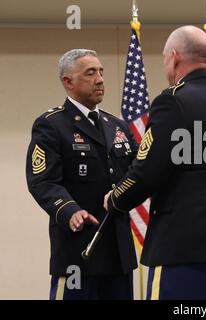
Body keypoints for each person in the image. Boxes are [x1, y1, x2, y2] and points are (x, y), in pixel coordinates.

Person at [105, 25, 206, 300]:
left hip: (187, 242)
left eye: (164, 58)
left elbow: (148, 170)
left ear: (174, 57)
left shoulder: (173, 102)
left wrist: (116, 199)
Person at [26, 49, 137, 300]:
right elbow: (42, 180)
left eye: (101, 72)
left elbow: (138, 172)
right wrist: (69, 210)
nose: (100, 79)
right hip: (78, 253)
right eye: (90, 73)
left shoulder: (116, 126)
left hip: (119, 255)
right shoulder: (52, 125)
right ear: (68, 81)